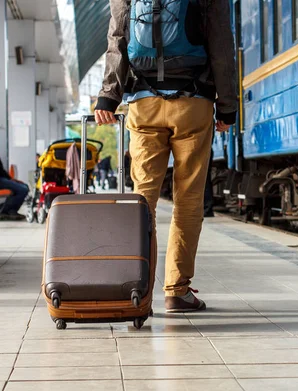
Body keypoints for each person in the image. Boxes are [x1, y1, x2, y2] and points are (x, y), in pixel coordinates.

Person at [94, 0, 237, 313]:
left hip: (143, 106)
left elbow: (116, 38)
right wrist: (227, 105)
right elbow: (221, 44)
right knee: (188, 200)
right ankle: (176, 290)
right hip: (193, 104)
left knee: (142, 199)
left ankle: (137, 288)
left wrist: (108, 95)